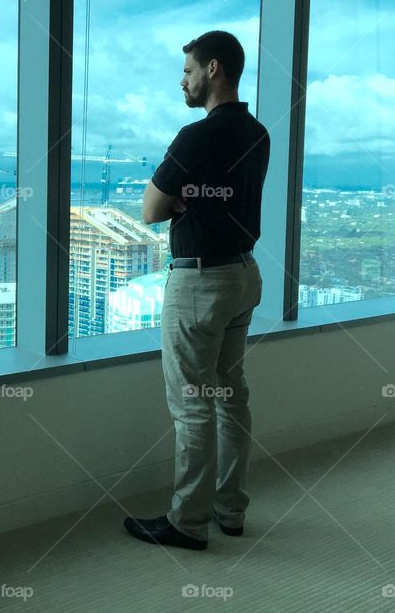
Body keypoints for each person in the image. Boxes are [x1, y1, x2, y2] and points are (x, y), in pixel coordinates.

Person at [123, 30, 270, 551]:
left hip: (199, 282)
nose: (181, 81)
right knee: (231, 395)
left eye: (187, 71)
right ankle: (230, 510)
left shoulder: (195, 136)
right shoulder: (258, 133)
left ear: (212, 69)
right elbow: (234, 199)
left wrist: (185, 198)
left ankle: (187, 522)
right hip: (243, 274)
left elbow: (150, 210)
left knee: (192, 402)